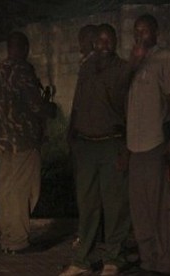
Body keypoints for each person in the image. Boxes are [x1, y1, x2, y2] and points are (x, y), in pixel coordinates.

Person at [60, 24, 131, 276]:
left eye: (109, 41)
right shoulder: (86, 68)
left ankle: (113, 257)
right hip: (86, 146)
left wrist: (125, 148)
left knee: (114, 204)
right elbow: (77, 104)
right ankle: (83, 260)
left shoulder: (123, 70)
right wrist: (72, 137)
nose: (104, 45)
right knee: (87, 203)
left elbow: (130, 112)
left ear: (115, 42)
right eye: (100, 41)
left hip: (112, 143)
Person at [0, 31, 55, 255]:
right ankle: (19, 241)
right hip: (24, 140)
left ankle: (7, 237)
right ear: (25, 49)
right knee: (25, 190)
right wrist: (50, 109)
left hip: (2, 141)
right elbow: (36, 105)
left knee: (6, 190)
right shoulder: (23, 70)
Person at [126, 14, 170, 275]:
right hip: (134, 146)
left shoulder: (164, 58)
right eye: (136, 30)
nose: (140, 35)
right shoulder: (133, 62)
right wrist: (133, 63)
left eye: (145, 30)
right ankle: (147, 261)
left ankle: (164, 262)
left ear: (155, 32)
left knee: (160, 209)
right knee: (139, 208)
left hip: (156, 144)